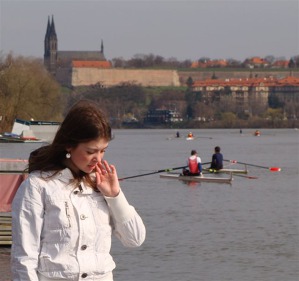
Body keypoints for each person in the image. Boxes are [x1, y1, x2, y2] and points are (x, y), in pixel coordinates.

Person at [11, 100, 146, 281]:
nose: (98, 159)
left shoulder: (100, 185)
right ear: (69, 145)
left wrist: (115, 196)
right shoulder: (37, 187)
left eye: (103, 151)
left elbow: (135, 239)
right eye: (91, 151)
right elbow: (24, 258)